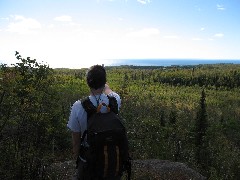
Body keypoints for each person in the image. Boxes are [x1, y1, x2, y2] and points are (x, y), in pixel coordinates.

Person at [67, 65, 122, 179]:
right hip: (110, 158)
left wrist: (77, 160)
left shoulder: (78, 107)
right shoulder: (114, 100)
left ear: (88, 82)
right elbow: (108, 90)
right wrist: (104, 84)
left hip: (88, 160)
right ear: (104, 82)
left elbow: (76, 140)